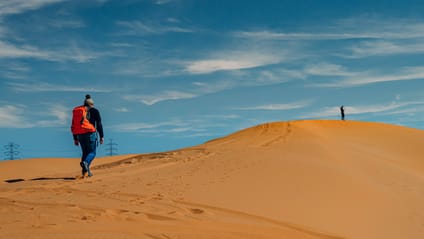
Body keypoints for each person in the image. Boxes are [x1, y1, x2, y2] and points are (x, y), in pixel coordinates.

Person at [71, 94, 104, 177]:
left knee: (85, 153)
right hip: (90, 133)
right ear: (92, 104)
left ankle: (85, 173)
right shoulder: (95, 111)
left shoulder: (78, 111)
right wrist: (101, 136)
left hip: (80, 135)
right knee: (92, 152)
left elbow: (73, 125)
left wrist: (75, 138)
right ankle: (85, 164)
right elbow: (99, 124)